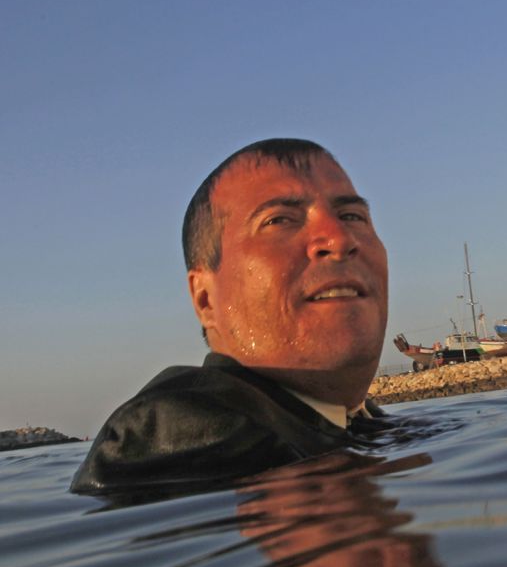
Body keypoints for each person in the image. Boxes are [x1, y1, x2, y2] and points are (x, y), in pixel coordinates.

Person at [71, 138, 390, 496]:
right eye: (279, 220)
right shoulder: (184, 433)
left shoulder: (346, 419)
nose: (339, 237)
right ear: (206, 299)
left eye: (351, 216)